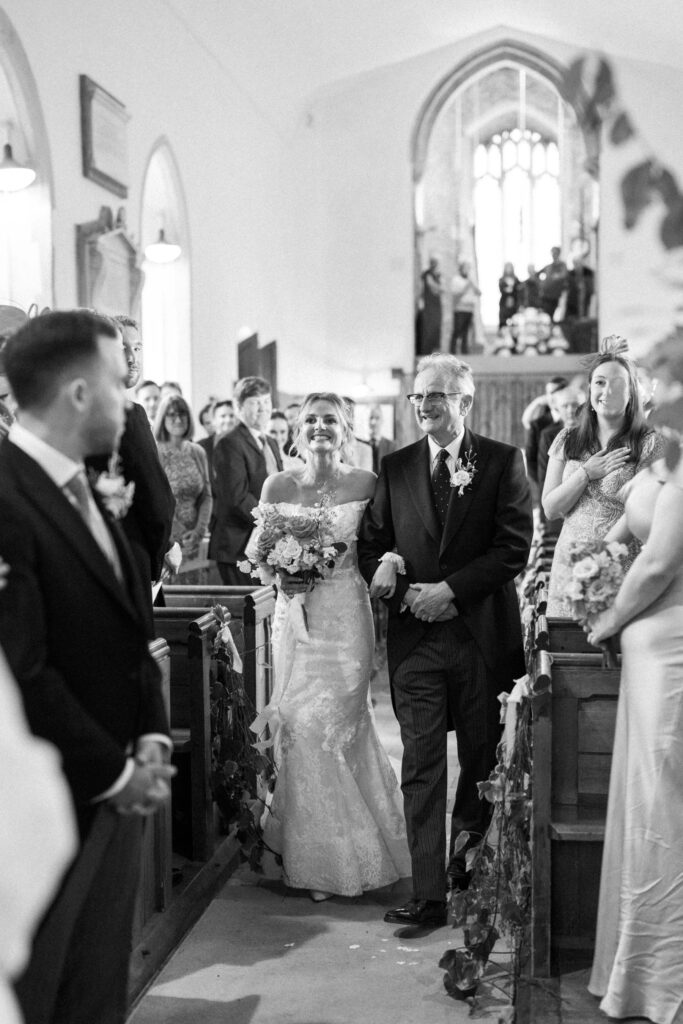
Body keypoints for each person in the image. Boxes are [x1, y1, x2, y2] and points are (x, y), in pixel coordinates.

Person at [0, 310, 174, 1024]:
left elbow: (131, 627)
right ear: (77, 392)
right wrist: (115, 770)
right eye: (116, 381)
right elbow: (21, 671)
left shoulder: (90, 484)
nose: (128, 400)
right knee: (42, 992)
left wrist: (154, 733)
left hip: (118, 784)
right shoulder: (7, 496)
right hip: (54, 797)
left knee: (97, 994)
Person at [358, 353, 533, 927]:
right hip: (415, 637)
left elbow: (512, 546)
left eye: (437, 395)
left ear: (465, 400)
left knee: (481, 759)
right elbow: (373, 540)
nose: (425, 405)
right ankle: (429, 891)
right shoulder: (398, 465)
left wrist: (450, 591)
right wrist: (399, 582)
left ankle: (469, 864)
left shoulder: (504, 461)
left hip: (481, 635)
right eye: (418, 396)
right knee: (423, 762)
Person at [250, 392, 411, 900]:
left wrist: (392, 563)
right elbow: (258, 556)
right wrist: (281, 577)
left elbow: (391, 539)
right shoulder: (278, 483)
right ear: (299, 429)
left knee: (337, 726)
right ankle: (317, 856)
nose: (321, 427)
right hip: (294, 620)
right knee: (298, 726)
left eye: (330, 421)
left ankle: (352, 850)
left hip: (345, 617)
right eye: (312, 420)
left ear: (346, 430)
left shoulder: (366, 482)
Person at [586, 335, 683, 1023]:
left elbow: (659, 566)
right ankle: (635, 967)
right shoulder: (662, 457)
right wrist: (598, 558)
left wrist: (604, 619)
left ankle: (662, 981)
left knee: (663, 811)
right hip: (647, 656)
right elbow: (629, 528)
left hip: (673, 650)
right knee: (641, 806)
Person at [543, 351, 664, 616]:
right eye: (599, 382)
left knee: (616, 651)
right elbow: (551, 509)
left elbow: (642, 511)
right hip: (570, 561)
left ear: (632, 392)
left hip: (620, 562)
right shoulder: (567, 439)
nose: (607, 390)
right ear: (589, 389)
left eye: (618, 383)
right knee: (565, 644)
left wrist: (600, 557)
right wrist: (585, 473)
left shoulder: (649, 442)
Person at [87, 316, 176, 584]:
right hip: (129, 558)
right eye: (120, 348)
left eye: (137, 348)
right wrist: (164, 549)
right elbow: (156, 501)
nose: (130, 357)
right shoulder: (127, 414)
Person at [209, 376, 283, 585]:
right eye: (255, 402)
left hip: (266, 541)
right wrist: (271, 524)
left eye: (267, 401)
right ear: (239, 406)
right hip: (239, 545)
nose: (263, 408)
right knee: (247, 612)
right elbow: (237, 498)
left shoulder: (270, 442)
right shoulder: (230, 443)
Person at [154, 394, 212, 581]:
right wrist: (178, 534)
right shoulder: (155, 452)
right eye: (171, 415)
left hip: (195, 538)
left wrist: (198, 532)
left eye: (182, 414)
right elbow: (156, 500)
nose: (178, 419)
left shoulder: (197, 451)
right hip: (167, 538)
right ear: (162, 419)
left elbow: (206, 496)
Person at [524, 376, 569, 508]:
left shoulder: (578, 421)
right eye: (550, 393)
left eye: (557, 391)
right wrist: (543, 485)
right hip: (546, 485)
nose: (553, 396)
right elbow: (531, 459)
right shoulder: (537, 425)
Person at [197, 398, 235, 478]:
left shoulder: (243, 444)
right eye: (223, 416)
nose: (228, 420)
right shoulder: (201, 447)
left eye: (231, 416)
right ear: (213, 420)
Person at [450, 261, 481, 355]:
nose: (467, 270)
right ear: (461, 269)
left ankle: (464, 351)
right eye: (465, 268)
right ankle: (453, 350)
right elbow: (456, 295)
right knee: (457, 330)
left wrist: (472, 284)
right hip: (460, 309)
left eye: (468, 268)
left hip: (469, 309)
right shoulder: (456, 280)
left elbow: (478, 293)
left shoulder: (471, 280)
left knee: (466, 331)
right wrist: (466, 286)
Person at [417, 255, 443, 355]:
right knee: (428, 328)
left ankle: (433, 351)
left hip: (436, 305)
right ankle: (425, 351)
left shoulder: (437, 275)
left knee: (436, 327)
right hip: (429, 306)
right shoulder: (427, 274)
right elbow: (433, 287)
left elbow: (439, 289)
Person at [367, 403, 399, 475]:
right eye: (371, 418)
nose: (373, 422)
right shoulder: (363, 445)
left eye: (377, 418)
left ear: (382, 421)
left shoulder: (391, 446)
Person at [538, 246, 568, 320]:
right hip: (547, 295)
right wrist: (541, 283)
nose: (554, 255)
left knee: (557, 316)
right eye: (552, 253)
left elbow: (563, 276)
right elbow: (537, 274)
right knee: (547, 315)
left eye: (555, 253)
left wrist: (556, 277)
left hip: (557, 295)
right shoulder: (548, 267)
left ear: (558, 253)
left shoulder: (562, 266)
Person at [498, 261, 521, 331]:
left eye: (510, 268)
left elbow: (518, 290)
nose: (509, 270)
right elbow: (502, 290)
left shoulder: (516, 279)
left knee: (514, 320)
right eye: (507, 268)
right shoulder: (501, 280)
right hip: (504, 303)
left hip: (514, 303)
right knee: (503, 320)